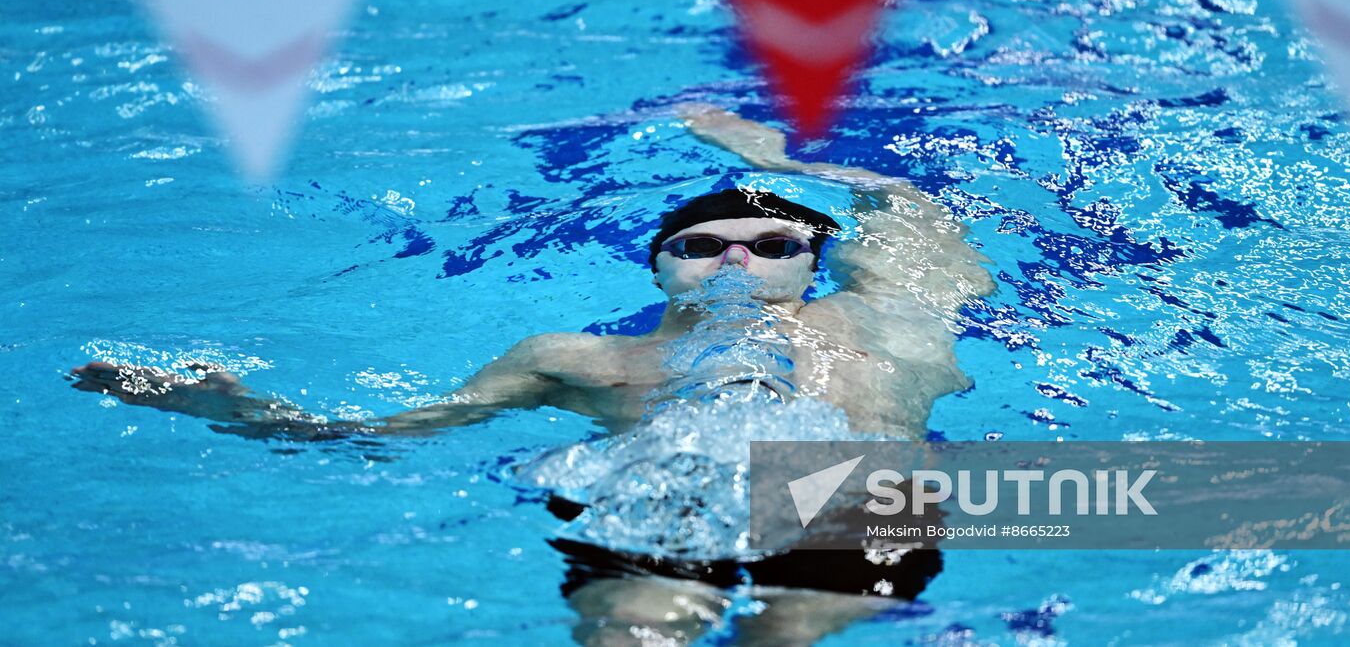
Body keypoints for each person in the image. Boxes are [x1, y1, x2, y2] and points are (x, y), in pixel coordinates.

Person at [70, 104, 995, 646]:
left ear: (809, 261)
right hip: (661, 499)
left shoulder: (883, 317)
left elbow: (910, 208)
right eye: (702, 244)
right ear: (661, 268)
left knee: (786, 633)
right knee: (636, 631)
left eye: (774, 243)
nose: (736, 260)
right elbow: (385, 440)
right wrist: (235, 408)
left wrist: (778, 159)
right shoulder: (575, 359)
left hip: (853, 492)